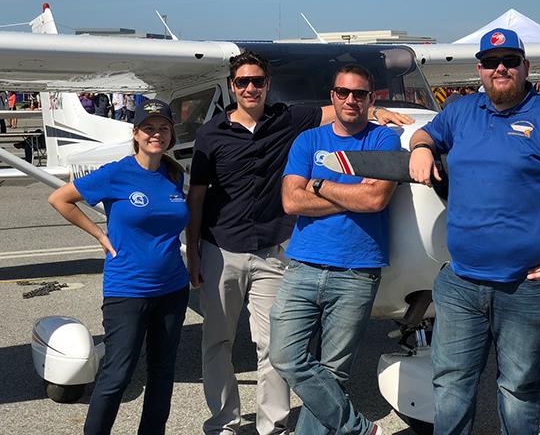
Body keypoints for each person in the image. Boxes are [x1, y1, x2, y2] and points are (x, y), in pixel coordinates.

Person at [186, 50, 411, 435]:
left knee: (274, 350)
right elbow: (199, 197)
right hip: (221, 248)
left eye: (258, 81)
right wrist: (192, 254)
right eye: (243, 82)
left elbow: (337, 111)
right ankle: (223, 422)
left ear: (267, 84)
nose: (251, 87)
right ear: (232, 86)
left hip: (274, 249)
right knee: (218, 341)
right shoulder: (210, 133)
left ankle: (272, 425)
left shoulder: (288, 120)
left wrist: (378, 113)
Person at [408, 28, 540, 435]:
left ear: (525, 67)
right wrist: (420, 147)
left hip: (526, 284)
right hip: (461, 280)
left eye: (509, 61)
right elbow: (426, 132)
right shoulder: (461, 111)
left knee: (519, 387)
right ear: (480, 70)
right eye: (489, 62)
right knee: (450, 385)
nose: (499, 68)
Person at [270, 64, 400, 435]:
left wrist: (319, 186)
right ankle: (360, 430)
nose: (350, 100)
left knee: (334, 373)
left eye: (360, 94)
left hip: (358, 269)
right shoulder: (308, 141)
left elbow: (375, 199)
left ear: (371, 99)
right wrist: (352, 193)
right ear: (332, 96)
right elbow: (290, 201)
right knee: (285, 356)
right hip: (304, 265)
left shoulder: (383, 141)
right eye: (343, 92)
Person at [48, 100, 190, 435]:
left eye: (163, 128)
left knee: (162, 373)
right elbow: (60, 199)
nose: (157, 134)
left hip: (172, 289)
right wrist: (99, 233)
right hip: (127, 290)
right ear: (136, 133)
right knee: (117, 374)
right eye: (149, 128)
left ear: (171, 134)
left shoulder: (174, 174)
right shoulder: (116, 173)